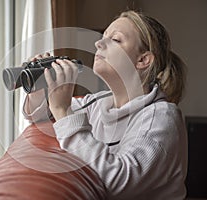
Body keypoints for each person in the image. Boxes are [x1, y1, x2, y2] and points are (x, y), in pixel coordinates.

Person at [23, 10, 187, 200]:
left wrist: (63, 110)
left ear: (143, 60)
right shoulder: (98, 103)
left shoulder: (161, 116)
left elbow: (116, 182)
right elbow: (40, 117)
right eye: (103, 37)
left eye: (115, 40)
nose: (98, 43)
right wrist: (39, 89)